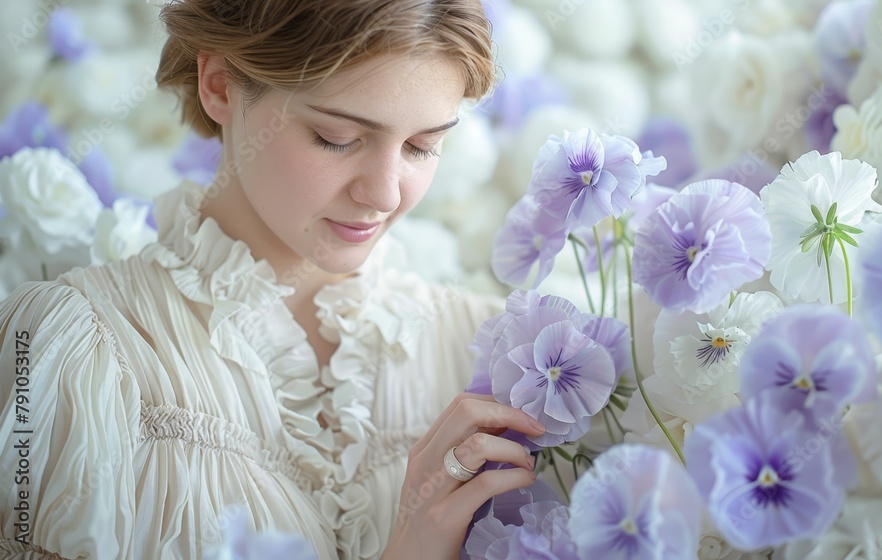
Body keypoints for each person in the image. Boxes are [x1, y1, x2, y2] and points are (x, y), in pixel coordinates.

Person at [0, 1, 544, 558]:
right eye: (336, 136)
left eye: (421, 146)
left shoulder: (494, 352)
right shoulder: (72, 350)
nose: (384, 194)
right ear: (219, 87)